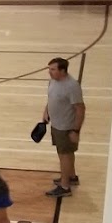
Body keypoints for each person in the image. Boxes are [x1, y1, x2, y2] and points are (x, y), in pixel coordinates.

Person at [42, 57, 85, 198]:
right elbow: (51, 98)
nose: (50, 72)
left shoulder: (72, 86)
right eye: (49, 69)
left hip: (66, 128)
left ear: (62, 70)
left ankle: (65, 186)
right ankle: (71, 177)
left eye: (53, 69)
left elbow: (80, 109)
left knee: (64, 156)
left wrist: (75, 130)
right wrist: (46, 111)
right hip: (56, 125)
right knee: (66, 154)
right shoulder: (53, 81)